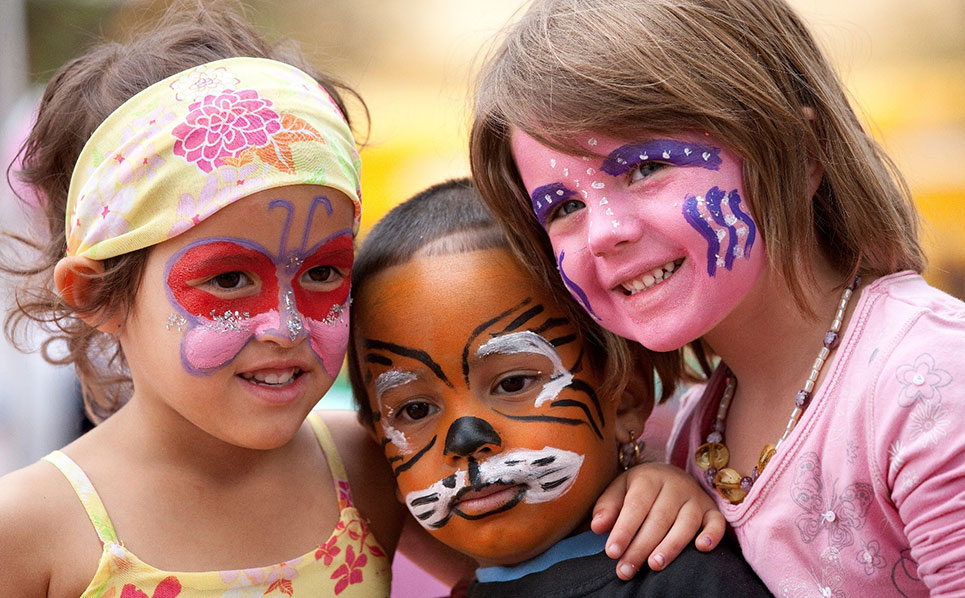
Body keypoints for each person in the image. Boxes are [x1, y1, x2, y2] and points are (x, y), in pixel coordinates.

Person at [468, 0, 965, 595]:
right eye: (564, 207)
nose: (604, 232)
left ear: (801, 152)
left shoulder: (933, 379)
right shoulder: (685, 436)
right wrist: (663, 487)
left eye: (645, 167)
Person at [0, 7, 409, 596]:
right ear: (97, 294)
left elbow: (525, 564)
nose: (287, 326)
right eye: (229, 281)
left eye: (323, 271)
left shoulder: (371, 467)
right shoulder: (33, 529)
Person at [345, 178, 770, 596]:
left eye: (512, 382)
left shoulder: (682, 579)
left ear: (625, 395)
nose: (467, 438)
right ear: (381, 449)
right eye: (415, 410)